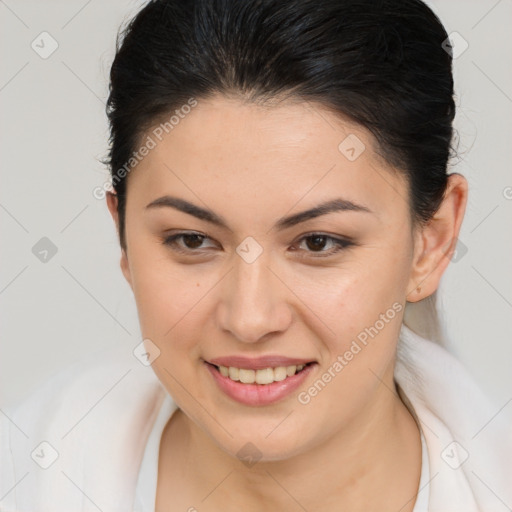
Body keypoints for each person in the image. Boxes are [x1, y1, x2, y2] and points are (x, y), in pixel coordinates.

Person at [1, 0, 511, 511]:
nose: (249, 319)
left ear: (432, 241)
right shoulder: (26, 474)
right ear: (124, 238)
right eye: (192, 240)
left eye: (318, 242)